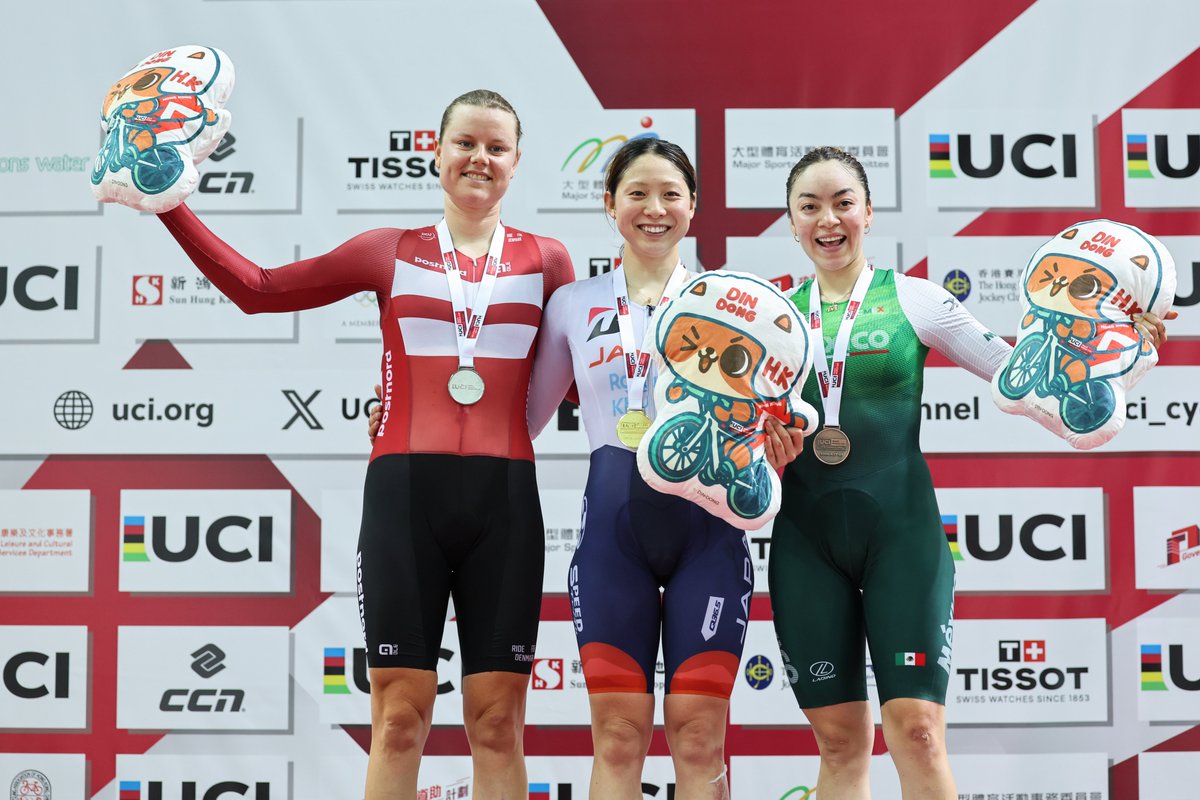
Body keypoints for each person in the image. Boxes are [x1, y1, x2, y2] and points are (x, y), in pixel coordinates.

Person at [148, 90, 574, 799]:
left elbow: (591, 375)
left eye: (496, 148)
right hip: (405, 495)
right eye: (465, 142)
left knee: (497, 721)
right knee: (399, 719)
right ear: (434, 152)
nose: (480, 158)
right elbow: (258, 289)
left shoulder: (547, 260)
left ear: (517, 163)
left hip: (506, 502)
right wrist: (170, 206)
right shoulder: (391, 250)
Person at [768, 146, 1171, 800]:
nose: (829, 219)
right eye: (810, 207)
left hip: (902, 536)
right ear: (791, 222)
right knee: (840, 743)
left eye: (843, 202)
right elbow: (743, 443)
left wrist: (1125, 363)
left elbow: (1033, 394)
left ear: (868, 211)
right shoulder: (771, 319)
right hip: (804, 541)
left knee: (918, 730)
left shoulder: (918, 300)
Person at [526, 137, 803, 799]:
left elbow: (773, 416)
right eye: (638, 194)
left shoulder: (737, 305)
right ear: (609, 205)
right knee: (619, 737)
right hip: (611, 539)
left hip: (708, 536)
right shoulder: (573, 303)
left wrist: (778, 449)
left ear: (694, 206)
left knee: (700, 734)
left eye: (670, 194)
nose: (655, 209)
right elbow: (520, 420)